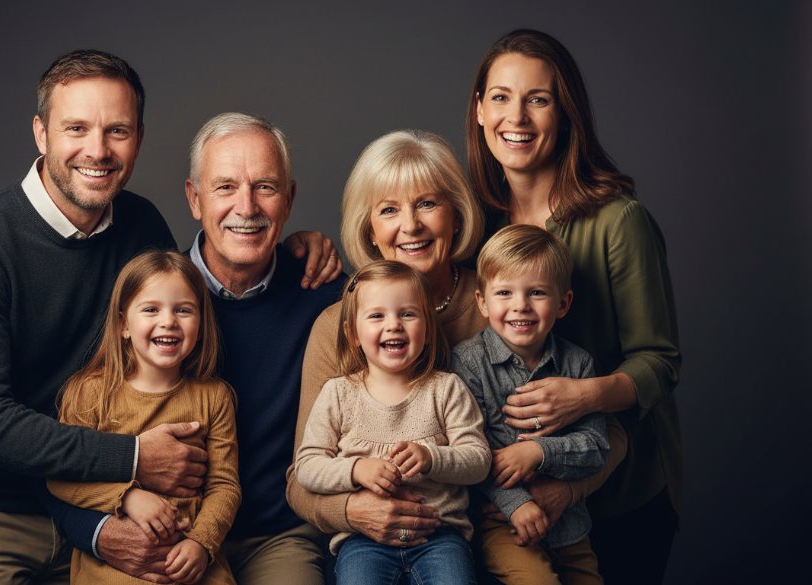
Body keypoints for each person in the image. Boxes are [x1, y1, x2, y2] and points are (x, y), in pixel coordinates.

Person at [0, 50, 339, 584]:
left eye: (117, 130)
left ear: (138, 138)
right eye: (76, 128)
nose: (98, 150)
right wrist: (132, 460)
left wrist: (295, 249)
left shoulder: (140, 225)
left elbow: (187, 311)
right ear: (41, 134)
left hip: (113, 507)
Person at [287, 130, 624, 553]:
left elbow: (609, 431)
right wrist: (356, 512)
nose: (410, 225)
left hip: (511, 536)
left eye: (428, 203)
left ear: (456, 215)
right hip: (375, 547)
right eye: (389, 210)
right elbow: (300, 479)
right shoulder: (339, 325)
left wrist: (564, 493)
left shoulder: (507, 299)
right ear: (370, 230)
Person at [51, 113, 345, 585]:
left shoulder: (325, 294)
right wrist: (103, 525)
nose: (246, 207)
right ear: (194, 198)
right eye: (225, 186)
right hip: (157, 532)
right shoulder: (145, 300)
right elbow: (64, 456)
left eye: (265, 187)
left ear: (289, 200)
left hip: (276, 536)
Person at [466, 29, 682, 584]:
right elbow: (396, 260)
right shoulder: (474, 221)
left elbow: (659, 361)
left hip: (618, 492)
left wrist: (582, 396)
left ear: (565, 115)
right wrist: (308, 251)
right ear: (480, 110)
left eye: (538, 99)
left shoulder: (617, 220)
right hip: (506, 507)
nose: (517, 116)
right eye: (501, 97)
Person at [48, 251, 240, 585]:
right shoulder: (89, 393)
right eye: (151, 309)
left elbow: (224, 486)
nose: (168, 321)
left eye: (183, 310)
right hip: (113, 572)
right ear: (123, 324)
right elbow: (60, 478)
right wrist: (128, 497)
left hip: (192, 566)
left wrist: (202, 543)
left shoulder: (215, 396)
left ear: (201, 323)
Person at [295, 261, 491, 585]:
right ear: (353, 334)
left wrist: (432, 458)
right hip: (362, 541)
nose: (394, 326)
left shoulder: (446, 389)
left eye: (408, 314)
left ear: (427, 328)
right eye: (376, 316)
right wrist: (356, 471)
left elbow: (479, 461)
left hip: (440, 537)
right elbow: (307, 466)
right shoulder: (339, 394)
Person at [453, 224, 609, 585]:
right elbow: (470, 452)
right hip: (500, 522)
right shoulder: (468, 363)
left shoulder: (578, 365)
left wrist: (540, 451)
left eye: (536, 292)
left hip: (569, 524)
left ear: (563, 303)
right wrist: (516, 504)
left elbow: (597, 446)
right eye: (504, 292)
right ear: (482, 302)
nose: (520, 305)